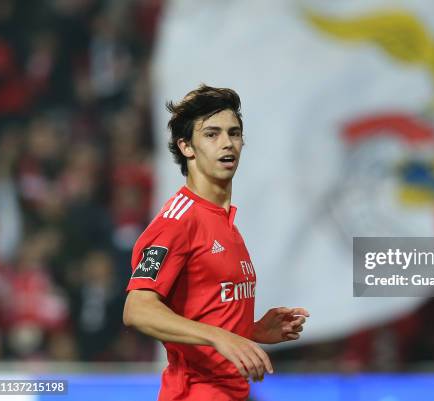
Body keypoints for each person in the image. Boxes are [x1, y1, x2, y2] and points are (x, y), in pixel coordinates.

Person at [123, 85, 309, 401]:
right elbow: (137, 309)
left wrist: (250, 332)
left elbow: (203, 313)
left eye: (233, 133)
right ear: (186, 146)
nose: (227, 143)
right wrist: (221, 337)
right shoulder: (177, 221)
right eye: (211, 134)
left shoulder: (224, 223)